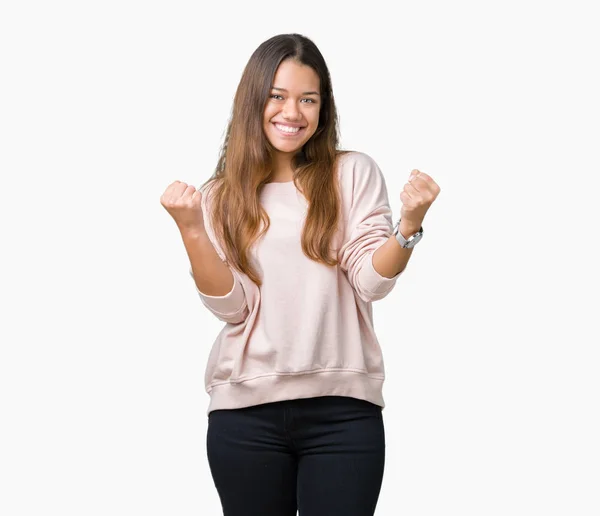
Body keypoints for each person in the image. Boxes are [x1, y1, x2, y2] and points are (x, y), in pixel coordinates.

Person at [160, 33, 440, 516]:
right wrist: (191, 230)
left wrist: (409, 226)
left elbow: (371, 282)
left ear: (322, 107)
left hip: (343, 412)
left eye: (307, 99)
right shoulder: (220, 195)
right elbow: (232, 308)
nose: (293, 113)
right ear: (254, 101)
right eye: (278, 96)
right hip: (244, 414)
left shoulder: (351, 172)